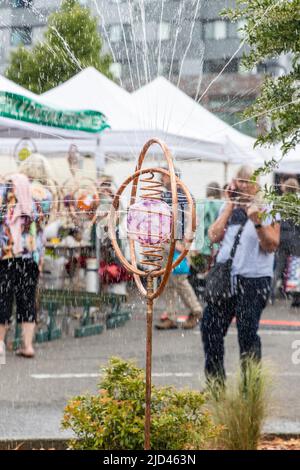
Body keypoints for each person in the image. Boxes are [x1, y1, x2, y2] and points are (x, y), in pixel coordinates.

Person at [201, 165, 280, 384]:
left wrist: (257, 221)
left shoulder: (268, 207)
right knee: (210, 327)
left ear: (256, 184)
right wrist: (228, 205)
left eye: (247, 181)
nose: (243, 185)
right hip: (226, 280)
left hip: (254, 281)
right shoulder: (230, 208)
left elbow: (272, 244)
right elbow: (213, 236)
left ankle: (250, 390)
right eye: (239, 181)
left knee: (247, 334)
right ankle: (216, 385)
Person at [0, 174, 42, 358]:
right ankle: (27, 345)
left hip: (7, 257)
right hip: (29, 259)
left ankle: (0, 344)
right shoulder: (35, 203)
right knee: (27, 300)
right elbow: (42, 230)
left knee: (3, 299)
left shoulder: (4, 202)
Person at [155, 169, 202, 330]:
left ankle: (196, 310)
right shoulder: (166, 195)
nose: (162, 178)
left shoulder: (183, 194)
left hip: (178, 242)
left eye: (164, 175)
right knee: (167, 281)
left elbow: (192, 218)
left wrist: (187, 242)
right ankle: (171, 315)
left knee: (180, 279)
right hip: (167, 241)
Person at [275, 178, 300, 307]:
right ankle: (296, 297)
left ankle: (270, 294)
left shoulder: (280, 202)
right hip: (295, 238)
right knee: (295, 268)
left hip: (281, 237)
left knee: (278, 267)